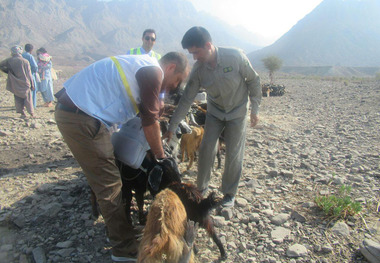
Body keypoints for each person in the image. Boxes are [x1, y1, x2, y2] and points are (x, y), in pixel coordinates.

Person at [54, 52, 189, 262]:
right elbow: (149, 121)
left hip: (79, 113)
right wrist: (162, 157)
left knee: (108, 177)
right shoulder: (153, 71)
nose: (175, 87)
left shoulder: (143, 65)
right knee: (109, 185)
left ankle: (120, 230)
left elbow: (148, 107)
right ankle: (123, 249)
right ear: (171, 67)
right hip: (80, 119)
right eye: (177, 81)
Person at [164, 26, 262, 208]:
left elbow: (254, 81)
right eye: (191, 53)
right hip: (215, 112)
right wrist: (172, 127)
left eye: (196, 52)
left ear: (208, 45)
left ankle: (229, 194)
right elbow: (186, 100)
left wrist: (255, 108)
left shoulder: (236, 57)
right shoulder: (199, 70)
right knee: (207, 148)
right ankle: (201, 189)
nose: (194, 58)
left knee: (233, 152)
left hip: (238, 111)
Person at [0, 46, 36, 118]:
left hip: (14, 82)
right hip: (25, 82)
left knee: (17, 97)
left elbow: (1, 66)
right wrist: (32, 84)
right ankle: (31, 113)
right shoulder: (25, 61)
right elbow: (29, 74)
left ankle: (22, 113)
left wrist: (8, 71)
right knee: (28, 98)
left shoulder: (9, 60)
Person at [22, 44, 38, 108]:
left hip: (22, 75)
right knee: (32, 89)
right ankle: (32, 105)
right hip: (30, 75)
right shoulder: (30, 56)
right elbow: (34, 66)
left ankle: (24, 104)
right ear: (31, 50)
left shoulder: (22, 55)